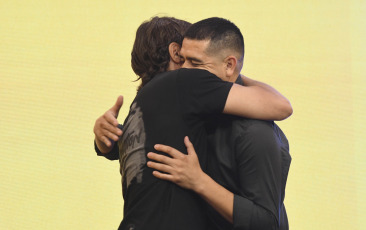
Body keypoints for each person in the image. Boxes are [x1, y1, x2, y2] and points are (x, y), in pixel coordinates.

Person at [94, 17, 292, 230]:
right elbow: (281, 105)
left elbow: (267, 222)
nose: (188, 69)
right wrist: (232, 73)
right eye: (185, 60)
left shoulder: (140, 108)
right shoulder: (183, 84)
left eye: (195, 62)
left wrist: (104, 142)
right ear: (175, 52)